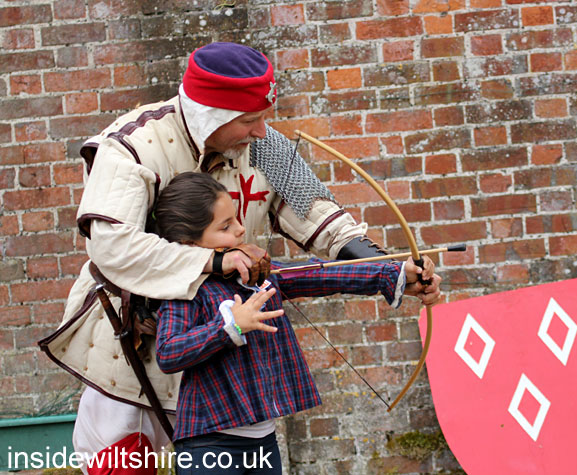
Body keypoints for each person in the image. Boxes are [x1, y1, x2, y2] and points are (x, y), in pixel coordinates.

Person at [37, 41, 441, 473]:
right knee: (119, 460)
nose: (262, 131)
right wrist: (214, 263)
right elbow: (112, 246)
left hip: (222, 362)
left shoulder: (264, 147)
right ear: (210, 115)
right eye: (249, 120)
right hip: (134, 344)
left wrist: (390, 268)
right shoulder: (134, 145)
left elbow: (320, 218)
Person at [152, 172, 438, 474]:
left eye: (236, 219)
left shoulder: (255, 273)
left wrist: (395, 272)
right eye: (225, 227)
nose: (240, 229)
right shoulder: (187, 287)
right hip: (208, 444)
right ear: (190, 243)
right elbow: (169, 352)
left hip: (263, 441)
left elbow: (320, 274)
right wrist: (230, 326)